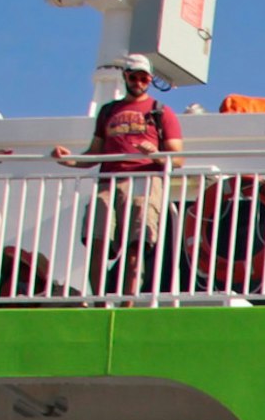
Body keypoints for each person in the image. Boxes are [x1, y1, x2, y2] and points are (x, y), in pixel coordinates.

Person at [54, 57, 183, 296]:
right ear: (125, 76)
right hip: (109, 181)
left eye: (144, 78)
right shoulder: (108, 111)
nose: (139, 82)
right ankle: (100, 301)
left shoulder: (161, 111)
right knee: (97, 242)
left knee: (137, 243)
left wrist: (155, 154)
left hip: (144, 182)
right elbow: (94, 153)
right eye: (134, 76)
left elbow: (177, 159)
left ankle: (128, 303)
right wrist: (67, 160)